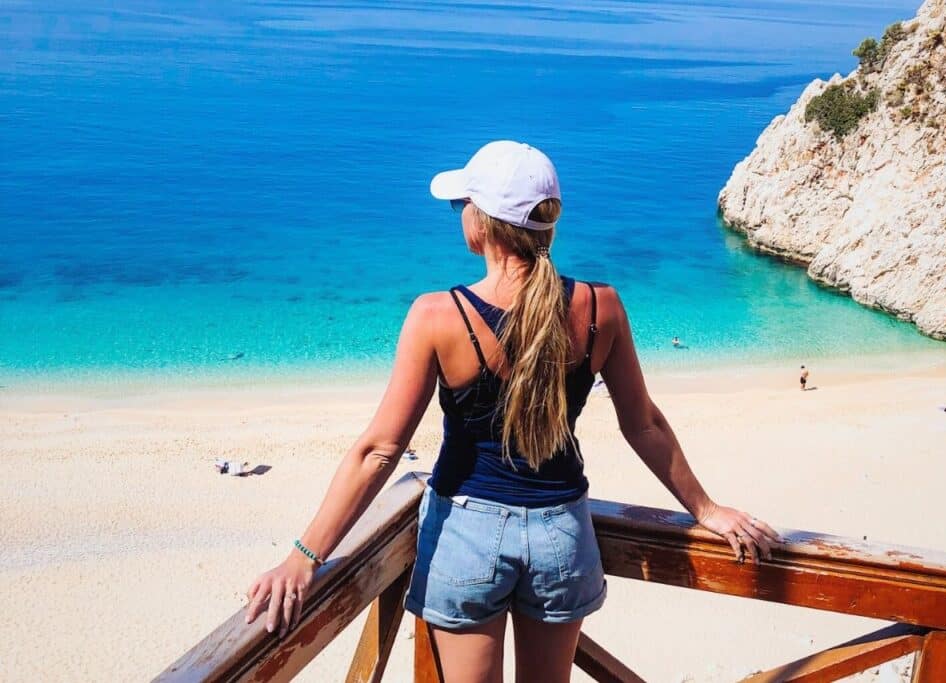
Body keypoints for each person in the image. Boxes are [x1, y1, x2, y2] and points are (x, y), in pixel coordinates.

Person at [243, 141, 782, 682]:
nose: (461, 217)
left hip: (466, 536)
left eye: (463, 207)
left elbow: (379, 450)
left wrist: (304, 556)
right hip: (562, 535)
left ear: (482, 224)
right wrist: (706, 509)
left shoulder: (438, 315)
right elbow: (644, 425)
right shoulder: (601, 306)